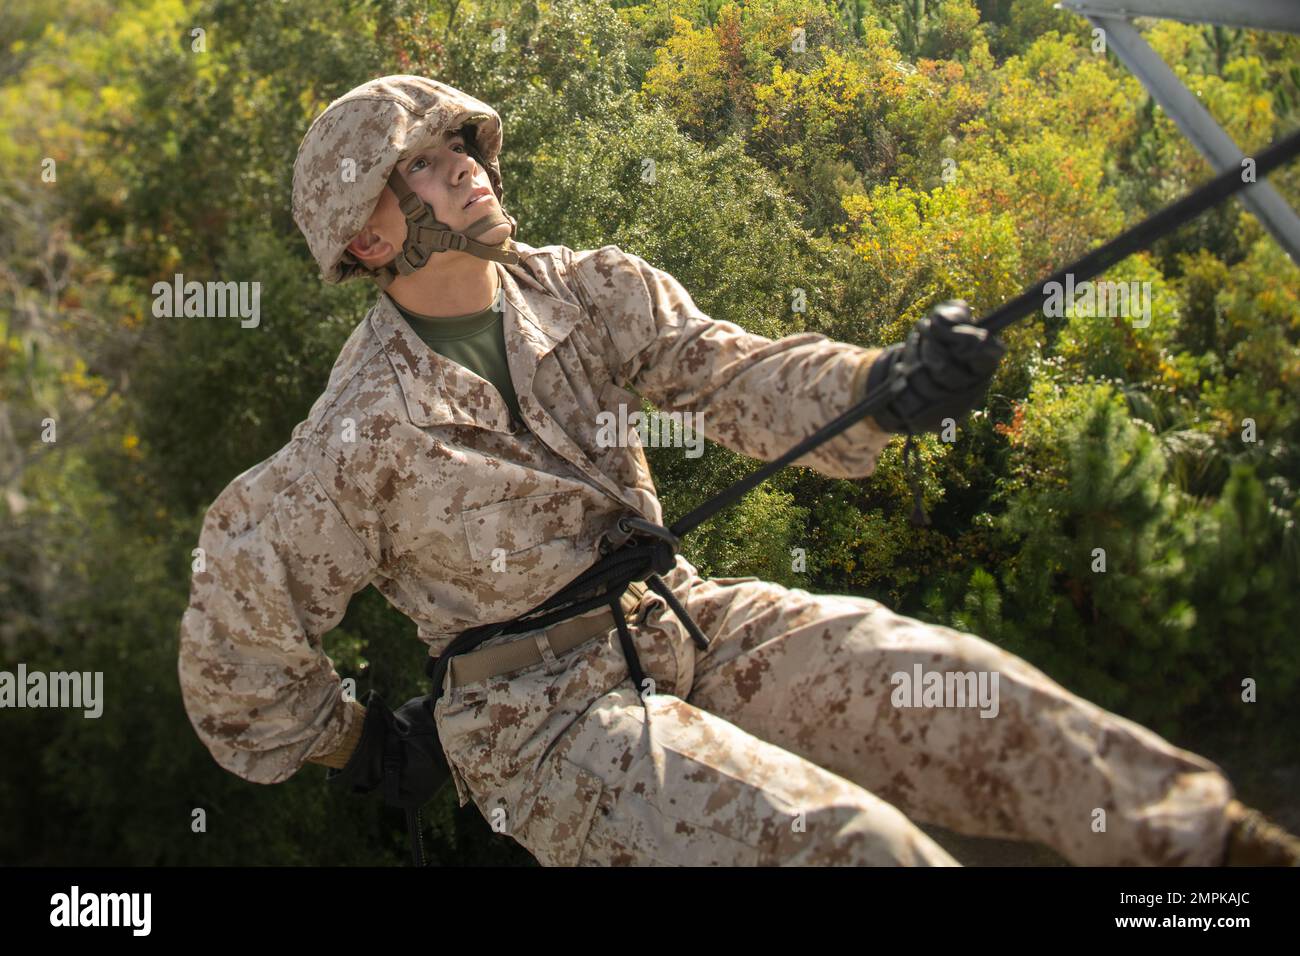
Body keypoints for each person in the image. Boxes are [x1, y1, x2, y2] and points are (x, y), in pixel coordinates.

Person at [178, 74, 1298, 866]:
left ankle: (1220, 851)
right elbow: (237, 628)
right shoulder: (354, 435)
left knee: (958, 689)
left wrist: (881, 382)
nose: (459, 169)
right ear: (368, 242)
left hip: (682, 621)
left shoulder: (588, 290)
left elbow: (732, 377)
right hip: (546, 728)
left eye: (456, 145)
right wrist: (362, 741)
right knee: (850, 849)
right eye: (414, 169)